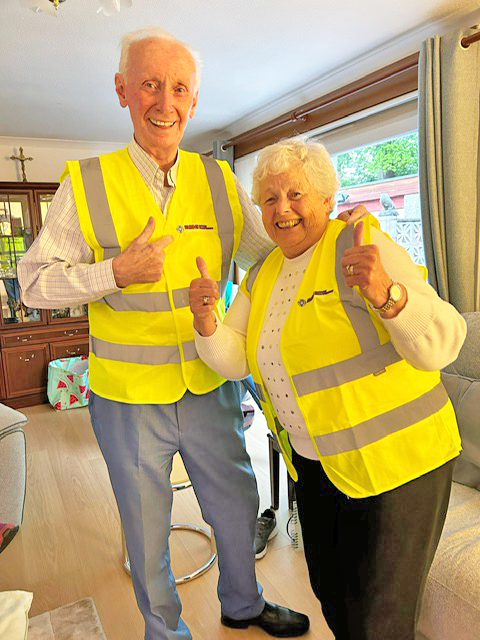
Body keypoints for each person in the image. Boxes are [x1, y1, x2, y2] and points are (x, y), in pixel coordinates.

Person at [16, 28, 376, 640]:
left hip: (210, 386)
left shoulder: (218, 182)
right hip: (128, 401)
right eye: (150, 85)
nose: (165, 101)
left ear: (194, 100)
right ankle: (166, 632)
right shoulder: (86, 182)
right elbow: (31, 283)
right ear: (123, 92)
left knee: (236, 510)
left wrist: (333, 230)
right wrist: (114, 273)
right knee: (148, 531)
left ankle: (243, 605)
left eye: (178, 88)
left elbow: (274, 254)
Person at [189, 136, 467, 640]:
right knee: (333, 596)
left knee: (379, 620)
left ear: (325, 199)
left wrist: (388, 294)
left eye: (296, 194)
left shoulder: (360, 245)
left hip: (399, 465)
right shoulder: (263, 271)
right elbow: (235, 360)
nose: (283, 209)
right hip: (317, 465)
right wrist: (207, 323)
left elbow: (443, 343)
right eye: (269, 199)